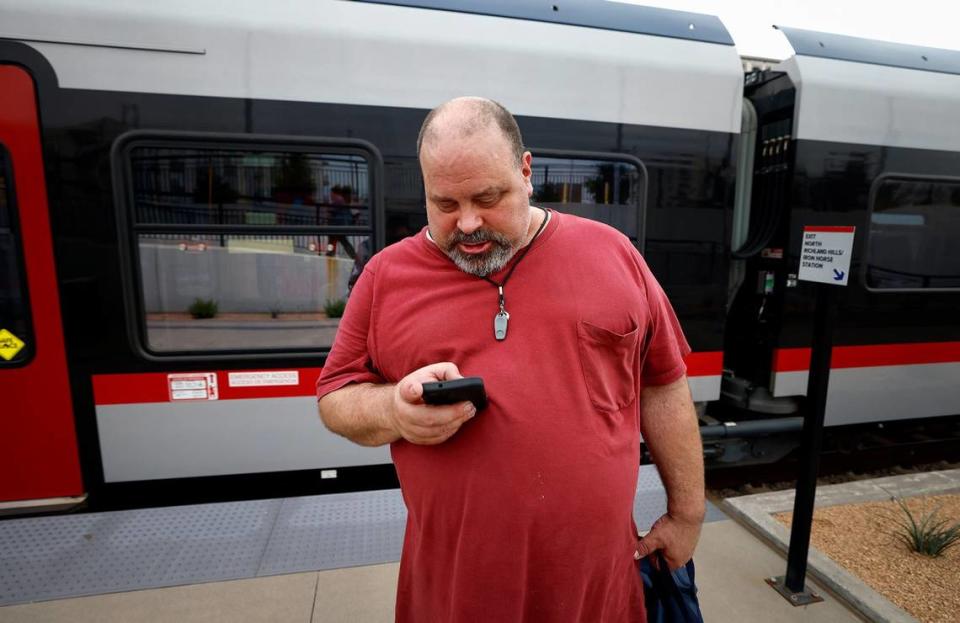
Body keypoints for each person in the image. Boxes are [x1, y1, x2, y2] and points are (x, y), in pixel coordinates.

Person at [316, 97, 705, 622]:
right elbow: (334, 397)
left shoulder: (613, 253)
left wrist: (687, 514)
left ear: (526, 172)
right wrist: (393, 411)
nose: (469, 223)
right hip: (457, 592)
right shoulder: (387, 277)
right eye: (445, 205)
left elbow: (663, 382)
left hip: (597, 587)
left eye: (487, 197)